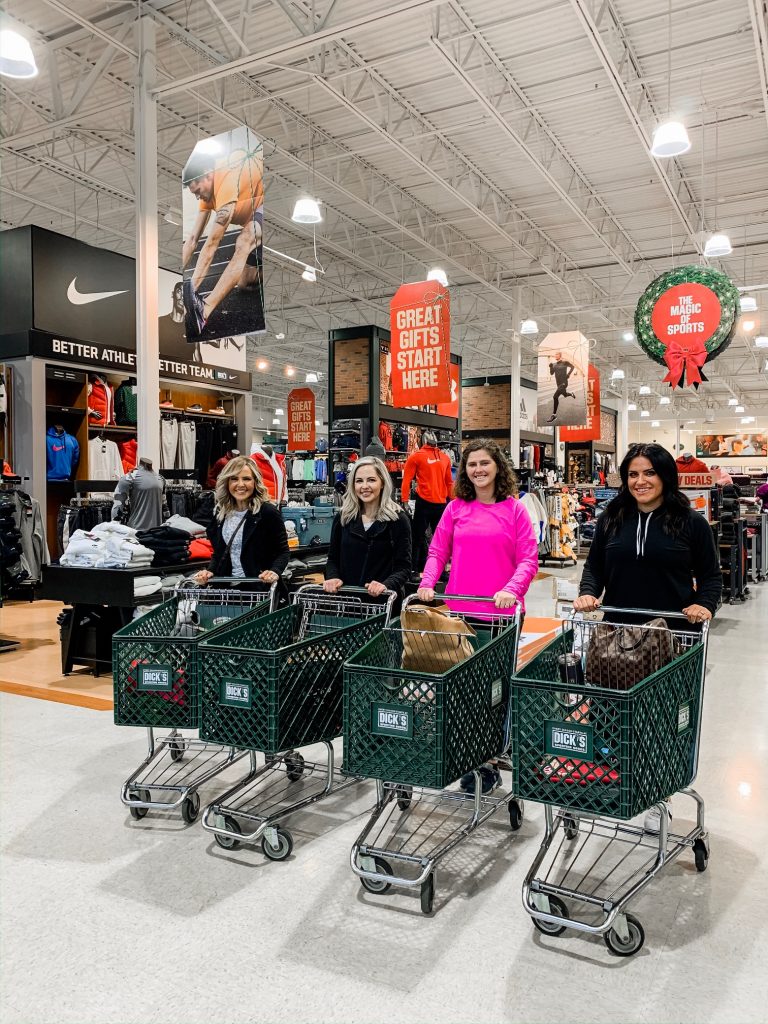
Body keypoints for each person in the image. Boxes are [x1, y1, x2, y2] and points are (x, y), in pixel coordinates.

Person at [417, 439, 539, 794]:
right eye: (471, 464)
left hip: (500, 618)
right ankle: (468, 756)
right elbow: (437, 551)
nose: (478, 470)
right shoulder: (455, 508)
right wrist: (427, 583)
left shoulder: (515, 510)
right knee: (462, 691)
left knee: (492, 692)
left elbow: (528, 559)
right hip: (460, 616)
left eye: (484, 463)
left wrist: (511, 589)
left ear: (498, 466)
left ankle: (488, 762)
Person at [574, 443, 721, 627]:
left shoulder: (692, 522)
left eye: (650, 473)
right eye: (633, 474)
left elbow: (710, 575)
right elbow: (594, 567)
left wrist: (704, 604)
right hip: (617, 632)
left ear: (665, 475)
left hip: (675, 632)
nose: (640, 481)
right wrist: (588, 592)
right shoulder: (610, 519)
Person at [181, 143, 264, 338]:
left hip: (265, 209)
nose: (198, 197)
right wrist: (181, 284)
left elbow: (211, 245)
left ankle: (205, 311)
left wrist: (191, 292)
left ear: (207, 174)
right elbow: (192, 240)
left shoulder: (225, 183)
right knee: (244, 283)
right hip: (250, 216)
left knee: (244, 240)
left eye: (198, 190)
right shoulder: (207, 192)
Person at [323, 457, 411, 598]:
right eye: (359, 481)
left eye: (371, 480)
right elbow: (332, 559)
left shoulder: (397, 519)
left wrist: (386, 585)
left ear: (382, 483)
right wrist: (332, 577)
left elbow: (404, 567)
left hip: (382, 603)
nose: (364, 486)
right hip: (347, 601)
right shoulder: (343, 518)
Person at [194, 456, 288, 586]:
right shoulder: (221, 513)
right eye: (234, 479)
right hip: (226, 588)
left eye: (246, 479)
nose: (240, 484)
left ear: (255, 482)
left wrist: (274, 571)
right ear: (227, 482)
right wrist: (209, 571)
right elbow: (219, 553)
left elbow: (283, 551)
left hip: (257, 587)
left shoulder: (267, 512)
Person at [401, 431, 453, 573]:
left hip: (441, 503)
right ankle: (413, 570)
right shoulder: (416, 456)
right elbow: (406, 480)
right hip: (423, 502)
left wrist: (454, 502)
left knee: (441, 539)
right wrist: (404, 500)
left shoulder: (445, 458)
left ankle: (440, 571)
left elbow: (449, 482)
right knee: (417, 538)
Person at [547, 351, 576, 422]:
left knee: (555, 397)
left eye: (557, 354)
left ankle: (554, 415)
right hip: (558, 384)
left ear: (560, 356)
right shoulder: (554, 365)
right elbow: (551, 373)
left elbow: (572, 367)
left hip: (564, 383)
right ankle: (571, 394)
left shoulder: (565, 362)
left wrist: (568, 374)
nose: (555, 355)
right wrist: (550, 367)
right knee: (565, 395)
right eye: (555, 354)